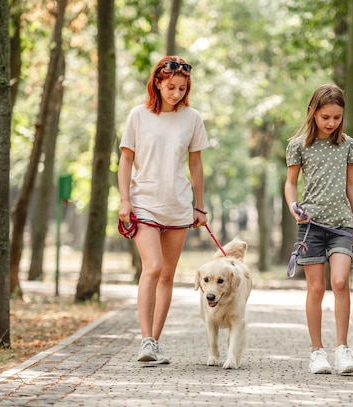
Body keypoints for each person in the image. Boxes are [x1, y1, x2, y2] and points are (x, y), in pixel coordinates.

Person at [118, 56, 209, 363]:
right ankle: (144, 340)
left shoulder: (192, 118)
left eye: (182, 89)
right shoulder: (138, 115)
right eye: (171, 87)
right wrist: (124, 201)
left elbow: (195, 164)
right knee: (153, 267)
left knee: (168, 275)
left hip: (178, 205)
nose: (176, 94)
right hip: (143, 201)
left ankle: (153, 343)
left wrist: (200, 206)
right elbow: (126, 160)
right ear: (157, 83)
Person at [284, 83, 353, 375]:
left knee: (340, 282)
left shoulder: (348, 144)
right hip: (310, 227)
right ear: (313, 113)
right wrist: (293, 207)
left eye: (337, 117)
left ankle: (342, 348)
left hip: (341, 224)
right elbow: (291, 183)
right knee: (316, 288)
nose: (331, 123)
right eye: (326, 117)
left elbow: (352, 184)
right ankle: (317, 350)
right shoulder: (298, 145)